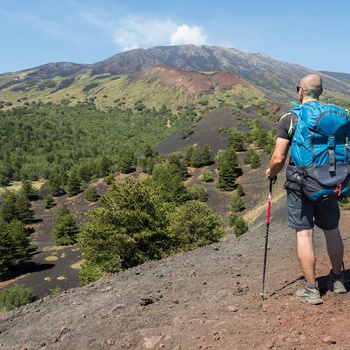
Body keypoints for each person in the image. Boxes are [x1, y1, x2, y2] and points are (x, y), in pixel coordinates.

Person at [265, 74, 347, 305]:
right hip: (330, 180)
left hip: (301, 183)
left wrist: (271, 173)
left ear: (300, 91)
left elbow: (279, 157)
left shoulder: (290, 118)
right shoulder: (336, 115)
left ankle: (311, 289)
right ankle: (338, 280)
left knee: (304, 233)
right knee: (332, 230)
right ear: (321, 92)